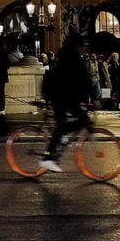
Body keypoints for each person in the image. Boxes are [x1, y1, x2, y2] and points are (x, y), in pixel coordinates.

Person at [38, 36, 94, 172]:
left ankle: (61, 138)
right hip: (62, 96)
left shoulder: (66, 55)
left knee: (64, 126)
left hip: (60, 95)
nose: (85, 48)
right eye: (83, 46)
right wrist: (94, 97)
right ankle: (48, 159)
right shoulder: (73, 58)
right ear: (77, 47)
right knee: (78, 122)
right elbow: (84, 78)